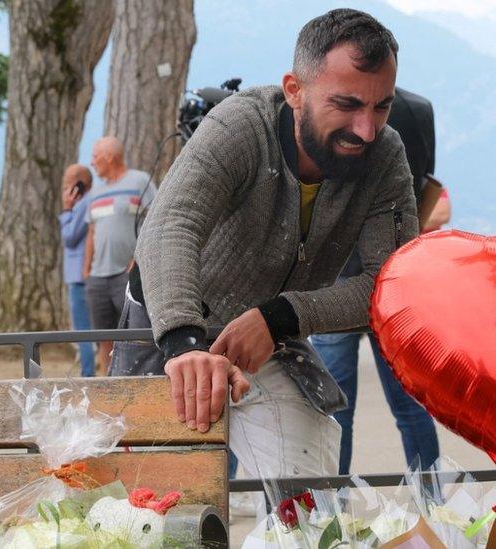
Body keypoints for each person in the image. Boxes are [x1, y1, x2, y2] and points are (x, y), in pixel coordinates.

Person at [110, 9, 417, 495]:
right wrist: (185, 344)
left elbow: (394, 287)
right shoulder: (240, 126)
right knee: (153, 498)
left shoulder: (386, 156)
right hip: (170, 323)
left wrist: (279, 318)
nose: (366, 130)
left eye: (382, 107)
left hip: (272, 329)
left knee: (309, 494)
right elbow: (170, 225)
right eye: (346, 104)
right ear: (294, 90)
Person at [309, 87, 444, 475]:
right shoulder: (420, 108)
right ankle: (434, 504)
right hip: (398, 277)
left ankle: (335, 507)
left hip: (337, 275)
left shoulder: (335, 108)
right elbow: (427, 181)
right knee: (409, 403)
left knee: (338, 408)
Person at [84, 137, 155, 373]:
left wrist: (140, 256)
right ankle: (107, 384)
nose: (92, 163)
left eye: (95, 157)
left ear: (109, 157)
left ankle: (133, 378)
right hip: (97, 276)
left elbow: (155, 217)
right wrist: (86, 271)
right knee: (102, 335)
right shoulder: (95, 192)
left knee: (132, 333)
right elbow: (91, 231)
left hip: (126, 273)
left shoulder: (139, 181)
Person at [59, 164, 97, 377]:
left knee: (83, 329)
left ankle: (87, 374)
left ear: (78, 184)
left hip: (79, 276)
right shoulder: (87, 202)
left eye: (67, 183)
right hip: (85, 275)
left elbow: (69, 238)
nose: (65, 189)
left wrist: (66, 210)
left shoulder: (83, 204)